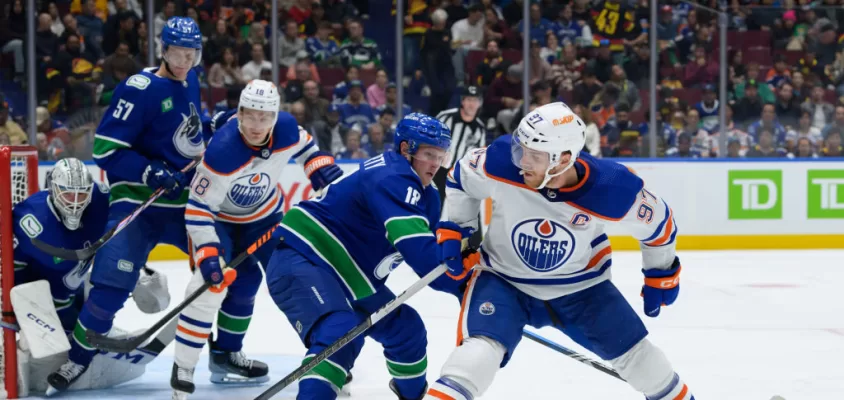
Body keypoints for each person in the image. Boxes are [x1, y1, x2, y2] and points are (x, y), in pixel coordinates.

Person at [425, 102, 695, 400]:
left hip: (583, 290)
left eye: (534, 155)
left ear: (563, 158)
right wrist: (455, 229)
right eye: (522, 148)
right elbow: (462, 178)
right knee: (476, 356)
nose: (522, 161)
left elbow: (660, 222)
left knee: (646, 365)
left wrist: (661, 271)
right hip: (504, 281)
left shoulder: (610, 187)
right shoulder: (501, 161)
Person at [47, 17, 227, 393]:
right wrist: (150, 172)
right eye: (177, 52)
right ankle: (77, 360)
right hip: (138, 204)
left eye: (191, 53)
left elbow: (186, 129)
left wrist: (210, 126)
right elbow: (105, 149)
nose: (184, 60)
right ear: (163, 49)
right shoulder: (138, 88)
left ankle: (224, 350)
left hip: (184, 203)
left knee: (219, 271)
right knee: (111, 283)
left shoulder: (191, 77)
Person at [264, 113, 472, 400]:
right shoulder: (393, 179)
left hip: (352, 277)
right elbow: (424, 260)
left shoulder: (427, 196)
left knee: (407, 331)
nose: (435, 163)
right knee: (340, 333)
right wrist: (469, 287)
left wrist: (467, 280)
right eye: (428, 154)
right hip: (304, 258)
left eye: (440, 155)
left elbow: (437, 258)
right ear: (405, 149)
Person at [171, 80, 343, 399]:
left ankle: (229, 356)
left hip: (264, 217)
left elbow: (306, 145)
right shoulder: (223, 150)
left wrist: (317, 166)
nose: (256, 125)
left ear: (276, 117)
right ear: (238, 114)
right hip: (220, 220)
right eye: (249, 115)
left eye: (265, 117)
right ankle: (183, 367)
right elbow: (198, 207)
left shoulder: (288, 129)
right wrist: (208, 253)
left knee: (290, 277)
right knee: (209, 284)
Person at [13, 159, 170, 392]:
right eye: (68, 195)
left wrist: (136, 268)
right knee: (57, 344)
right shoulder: (31, 219)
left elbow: (128, 225)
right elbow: (14, 265)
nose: (76, 203)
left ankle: (88, 333)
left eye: (81, 194)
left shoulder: (100, 199)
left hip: (75, 283)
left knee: (100, 304)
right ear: (53, 189)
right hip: (47, 298)